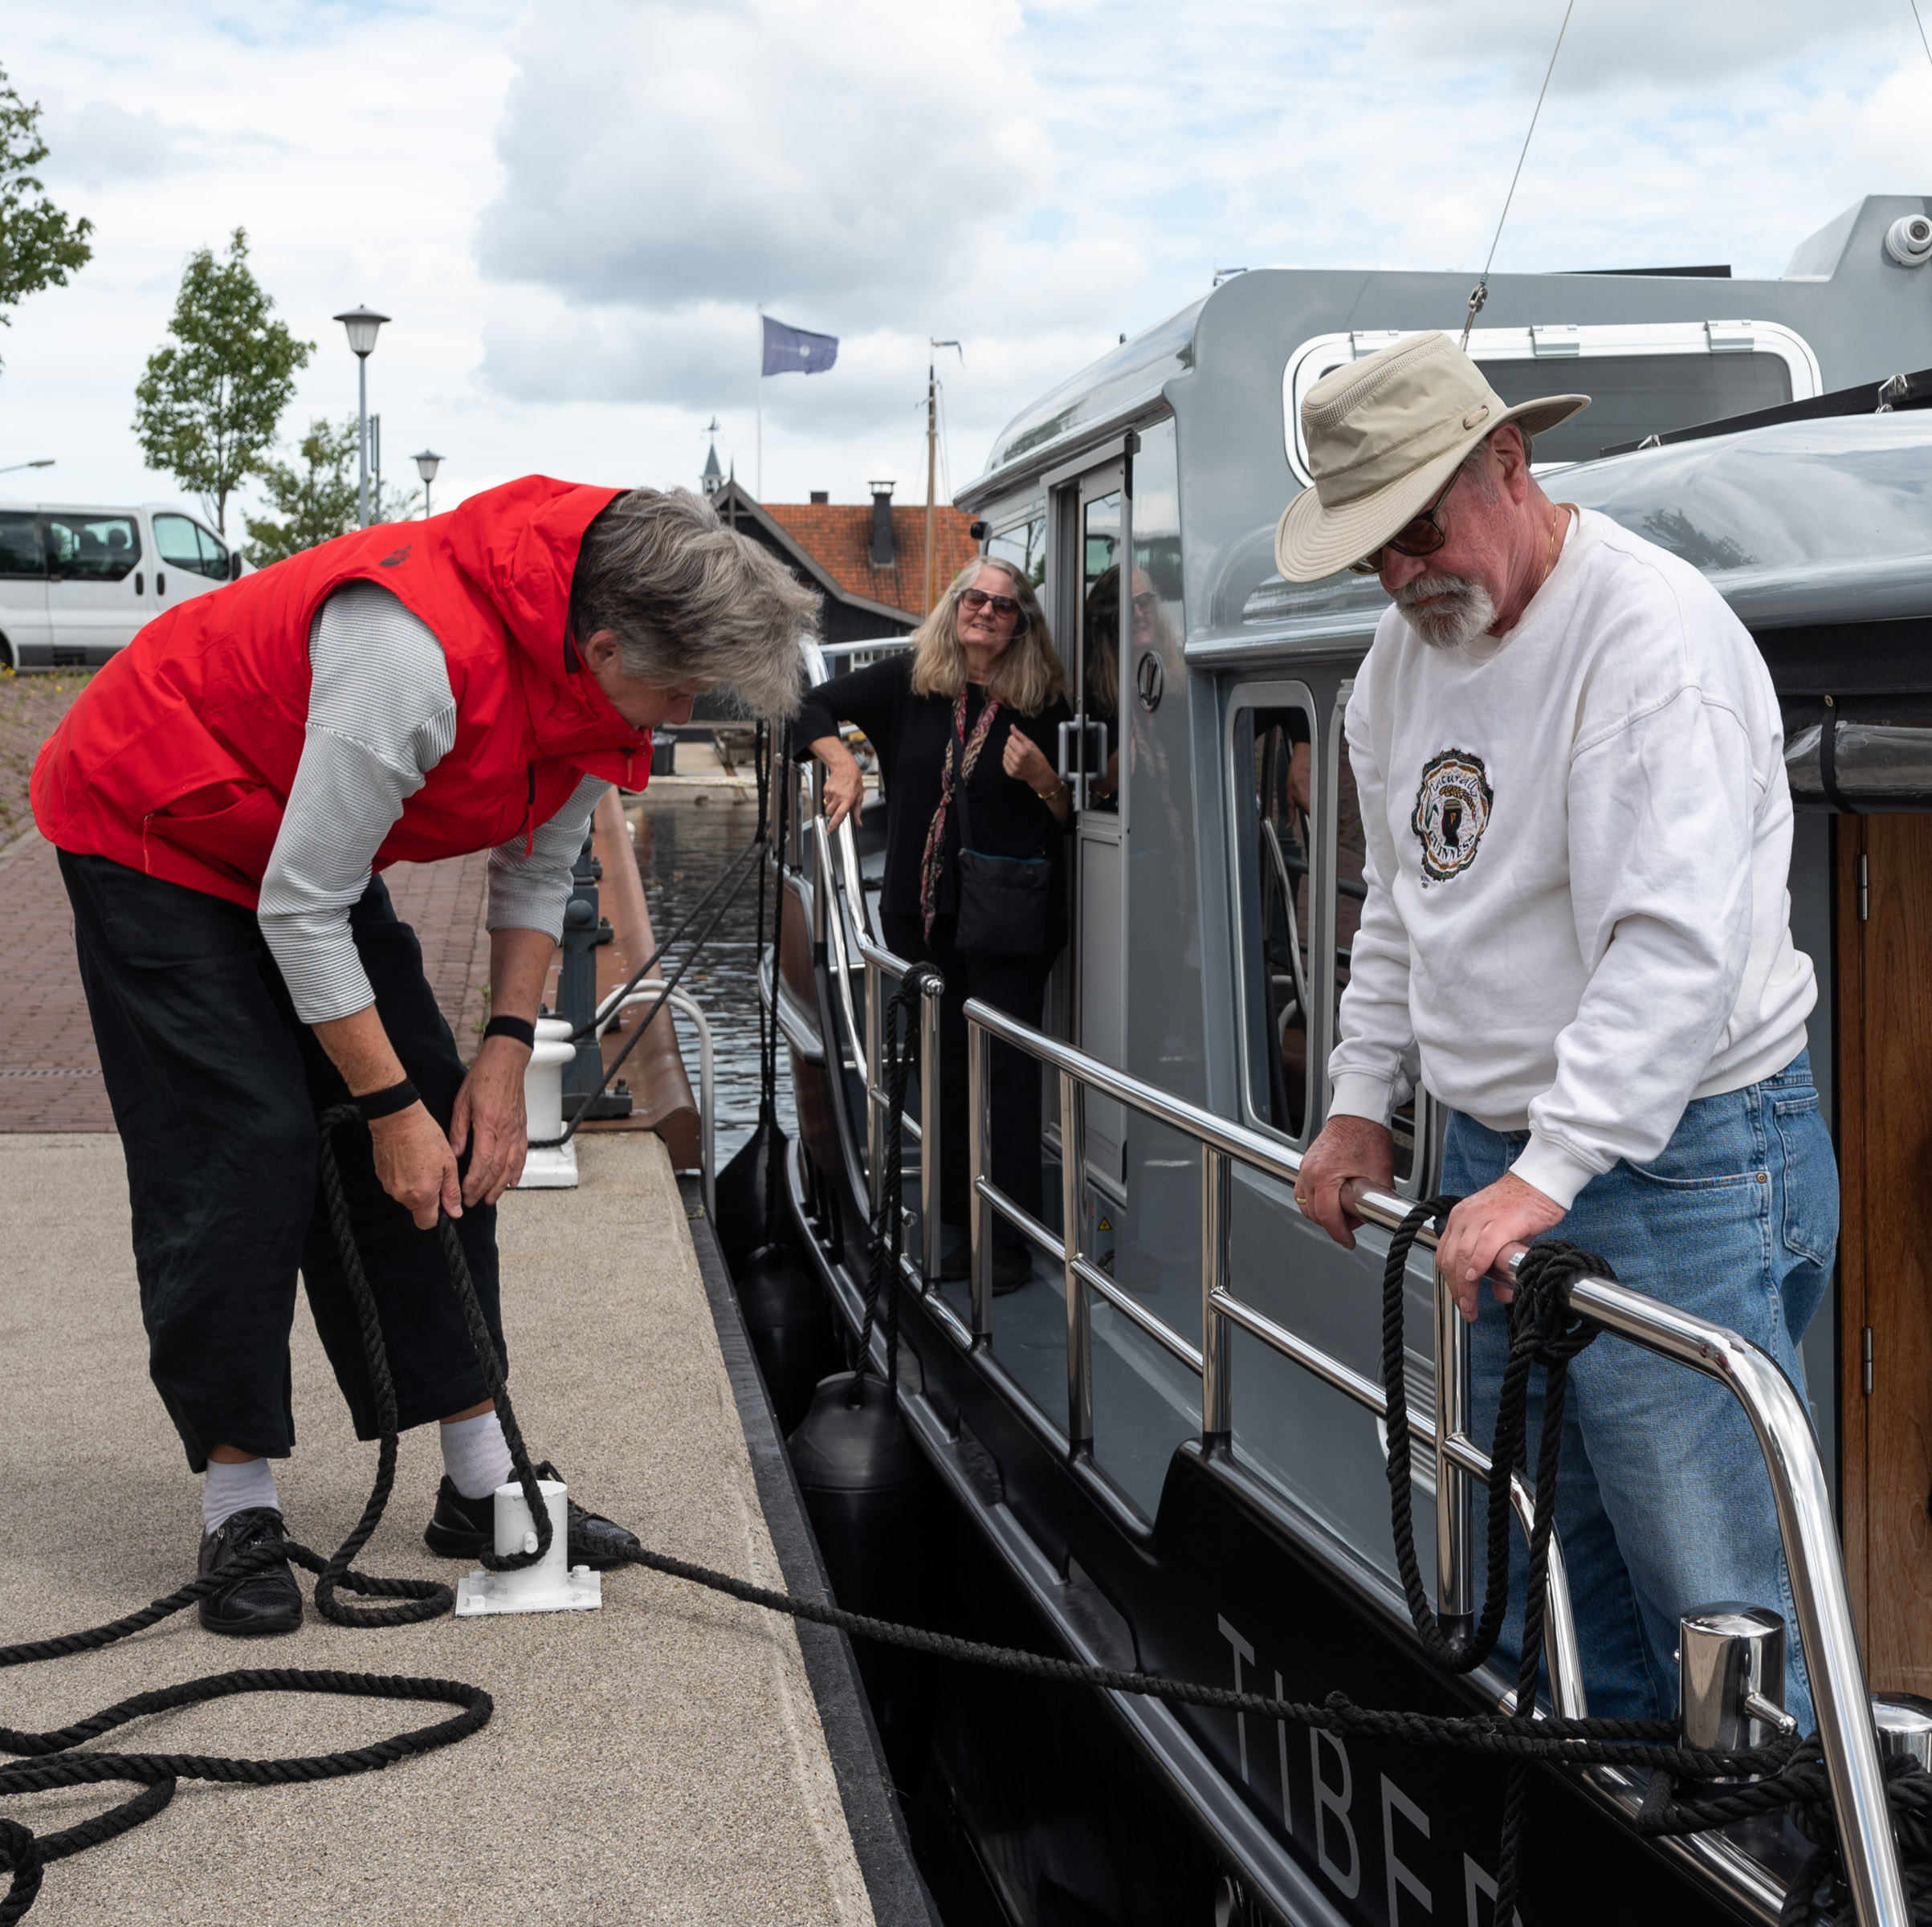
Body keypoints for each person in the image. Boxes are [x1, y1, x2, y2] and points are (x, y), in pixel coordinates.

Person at [32, 479, 817, 1634]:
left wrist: (501, 1053)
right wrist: (386, 1111)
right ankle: (239, 1506)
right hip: (153, 820)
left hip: (298, 844)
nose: (681, 712)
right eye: (678, 688)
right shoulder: (410, 654)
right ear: (605, 648)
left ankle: (478, 1476)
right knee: (245, 1145)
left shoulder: (599, 690)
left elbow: (538, 868)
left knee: (444, 1111)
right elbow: (303, 909)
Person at [1279, 332, 1830, 1729]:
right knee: (1552, 1554)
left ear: (1509, 464)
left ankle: (1766, 1831)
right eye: (1371, 552)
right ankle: (1601, 1797)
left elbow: (1673, 950)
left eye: (1418, 529)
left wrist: (1551, 1168)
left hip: (1681, 1162)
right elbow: (1400, 904)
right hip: (1502, 1160)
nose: (1401, 574)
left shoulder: (1650, 640)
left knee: (1714, 1598)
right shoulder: (1395, 666)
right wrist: (1358, 1100)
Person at [800, 560, 1074, 1294]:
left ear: (1021, 626)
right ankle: (957, 1218)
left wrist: (1044, 780)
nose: (986, 612)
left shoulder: (1042, 702)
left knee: (1008, 1074)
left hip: (1009, 914)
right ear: (954, 607)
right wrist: (842, 764)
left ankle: (1010, 1241)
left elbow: (1069, 816)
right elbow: (808, 703)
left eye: (1004, 606)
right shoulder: (910, 683)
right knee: (944, 1066)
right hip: (921, 913)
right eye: (974, 598)